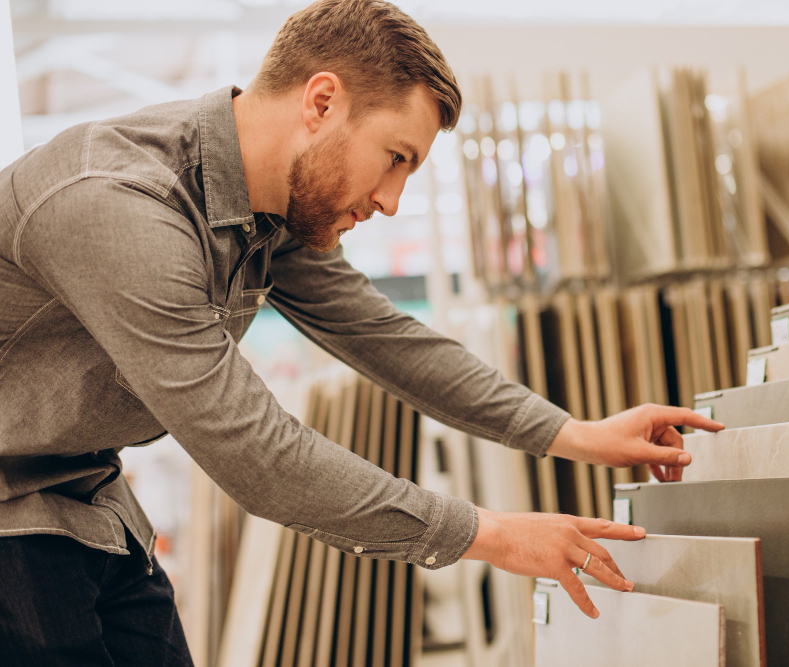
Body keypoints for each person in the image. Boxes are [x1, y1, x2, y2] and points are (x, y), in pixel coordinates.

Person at [0, 0, 723, 663]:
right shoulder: (121, 206)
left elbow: (385, 337)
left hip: (90, 495)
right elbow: (257, 453)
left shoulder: (265, 209)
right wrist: (493, 534)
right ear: (321, 101)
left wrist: (575, 432)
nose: (392, 200)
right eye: (396, 158)